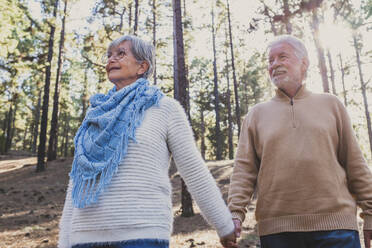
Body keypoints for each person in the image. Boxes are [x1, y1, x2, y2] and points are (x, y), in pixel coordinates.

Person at [58, 35, 237, 248]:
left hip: (142, 235)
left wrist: (225, 226)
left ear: (142, 66)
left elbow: (194, 170)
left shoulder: (165, 109)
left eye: (121, 54)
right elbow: (78, 180)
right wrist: (64, 241)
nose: (111, 60)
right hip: (84, 238)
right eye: (109, 55)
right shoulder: (95, 115)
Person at [227, 34, 372, 248]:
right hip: (278, 232)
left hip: (337, 229)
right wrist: (235, 214)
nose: (274, 64)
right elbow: (243, 171)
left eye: (282, 57)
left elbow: (355, 163)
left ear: (304, 63)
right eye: (270, 60)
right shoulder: (256, 115)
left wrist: (370, 213)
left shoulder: (331, 105)